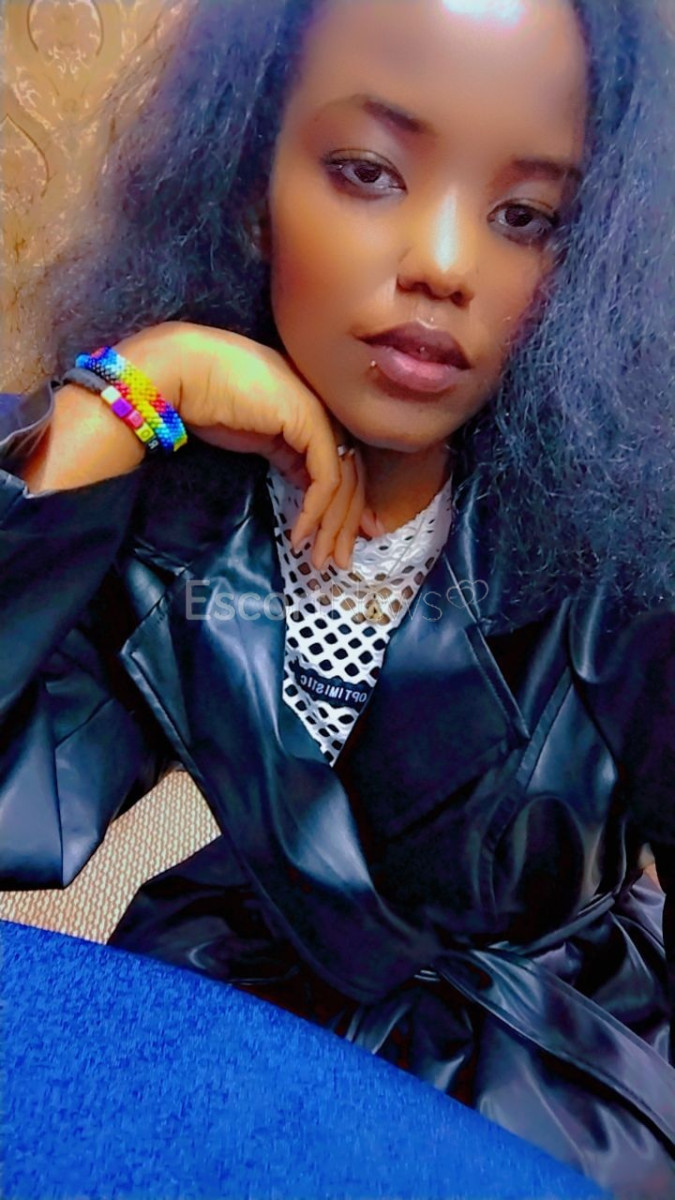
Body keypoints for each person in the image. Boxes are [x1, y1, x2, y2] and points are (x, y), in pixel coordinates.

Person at [1, 0, 674, 1193]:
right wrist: (125, 400)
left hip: (557, 1062)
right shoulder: (177, 511)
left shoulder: (630, 537)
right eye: (368, 171)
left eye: (526, 216)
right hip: (246, 998)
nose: (444, 263)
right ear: (247, 187)